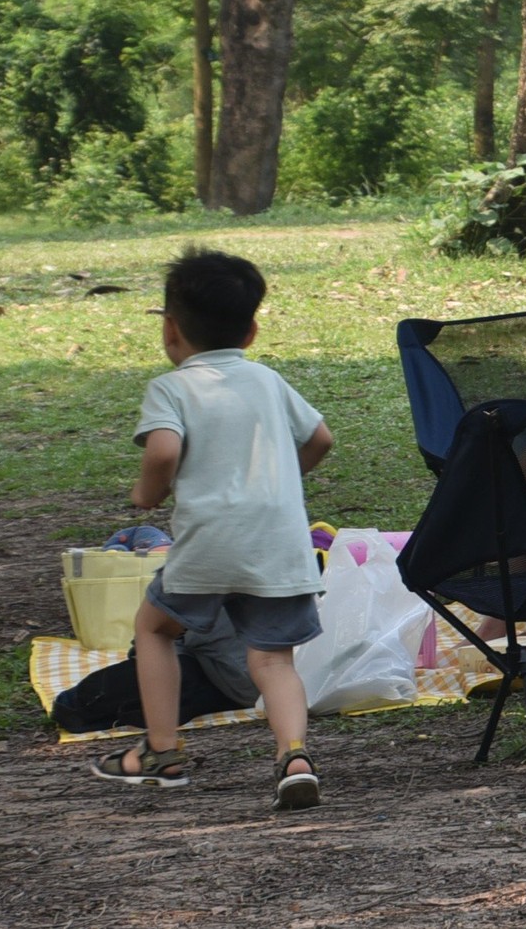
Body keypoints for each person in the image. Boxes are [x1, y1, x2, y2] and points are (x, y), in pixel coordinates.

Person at [89, 249, 334, 810]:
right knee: (274, 659)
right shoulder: (268, 380)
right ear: (251, 330)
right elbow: (321, 439)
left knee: (155, 630)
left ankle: (161, 752)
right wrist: (281, 483)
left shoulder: (172, 388)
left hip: (209, 545)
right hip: (279, 544)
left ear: (170, 329)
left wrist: (146, 494)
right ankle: (294, 756)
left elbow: (164, 448)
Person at [52, 618, 255, 736]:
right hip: (265, 678)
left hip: (228, 672)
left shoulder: (200, 569)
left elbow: (156, 629)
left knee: (80, 702)